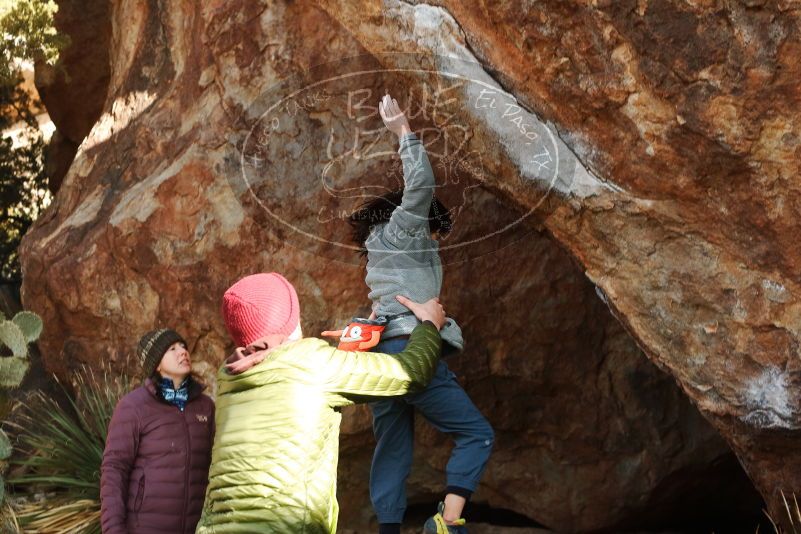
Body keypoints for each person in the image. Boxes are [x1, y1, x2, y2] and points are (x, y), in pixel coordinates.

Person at [195, 272, 446, 534]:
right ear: (290, 322)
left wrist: (349, 350)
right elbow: (412, 373)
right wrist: (429, 324)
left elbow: (293, 381)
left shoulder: (230, 377)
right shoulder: (314, 363)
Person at [345, 93, 494, 534]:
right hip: (412, 344)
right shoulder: (403, 233)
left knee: (391, 444)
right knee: (477, 433)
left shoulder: (379, 248)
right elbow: (422, 188)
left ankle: (389, 529)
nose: (436, 241)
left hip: (380, 352)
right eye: (435, 230)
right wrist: (404, 132)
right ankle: (447, 523)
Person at [100, 328, 215, 534]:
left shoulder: (205, 407)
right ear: (157, 364)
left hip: (196, 528)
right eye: (172, 349)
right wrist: (113, 529)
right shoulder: (133, 407)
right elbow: (114, 470)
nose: (182, 352)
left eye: (183, 347)